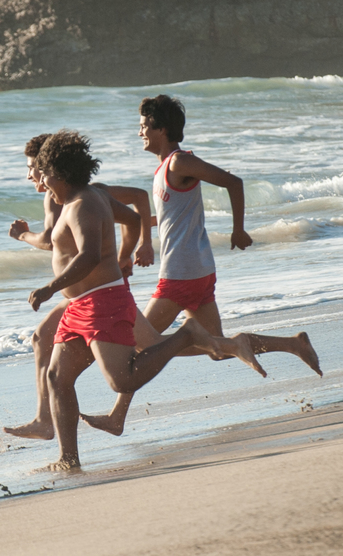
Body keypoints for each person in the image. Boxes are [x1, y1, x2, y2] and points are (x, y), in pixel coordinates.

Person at [82, 94, 321, 435]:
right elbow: (167, 218)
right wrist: (138, 232)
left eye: (144, 127)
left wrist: (239, 229)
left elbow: (233, 182)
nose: (140, 134)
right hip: (196, 271)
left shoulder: (179, 163)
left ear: (161, 129)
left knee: (142, 344)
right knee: (217, 350)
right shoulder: (165, 169)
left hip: (181, 273)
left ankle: (118, 416)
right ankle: (293, 344)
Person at [27, 130, 265, 472]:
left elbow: (89, 256)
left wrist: (50, 287)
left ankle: (188, 334)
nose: (42, 180)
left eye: (44, 172)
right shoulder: (73, 201)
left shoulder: (83, 205)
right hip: (80, 307)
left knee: (121, 380)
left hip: (102, 303)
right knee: (56, 377)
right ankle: (68, 458)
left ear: (58, 173)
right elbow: (132, 218)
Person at [2, 133, 165, 441]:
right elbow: (137, 205)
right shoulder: (84, 191)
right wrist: (127, 253)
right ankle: (224, 345)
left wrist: (22, 236)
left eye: (33, 168)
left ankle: (218, 343)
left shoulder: (59, 197)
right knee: (145, 347)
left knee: (144, 354)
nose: (30, 176)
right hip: (91, 287)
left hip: (96, 288)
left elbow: (51, 240)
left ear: (50, 168)